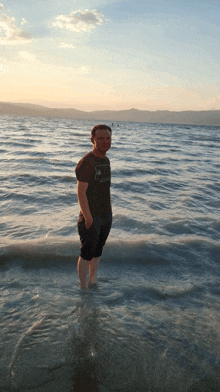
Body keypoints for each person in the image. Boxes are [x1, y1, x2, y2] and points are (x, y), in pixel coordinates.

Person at [75, 124, 112, 289]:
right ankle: (83, 288)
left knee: (98, 252)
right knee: (87, 253)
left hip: (105, 215)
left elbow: (105, 189)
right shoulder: (87, 162)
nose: (105, 142)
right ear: (93, 140)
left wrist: (110, 212)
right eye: (100, 138)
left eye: (108, 138)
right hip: (91, 217)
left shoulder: (106, 160)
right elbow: (81, 192)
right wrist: (88, 217)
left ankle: (93, 282)